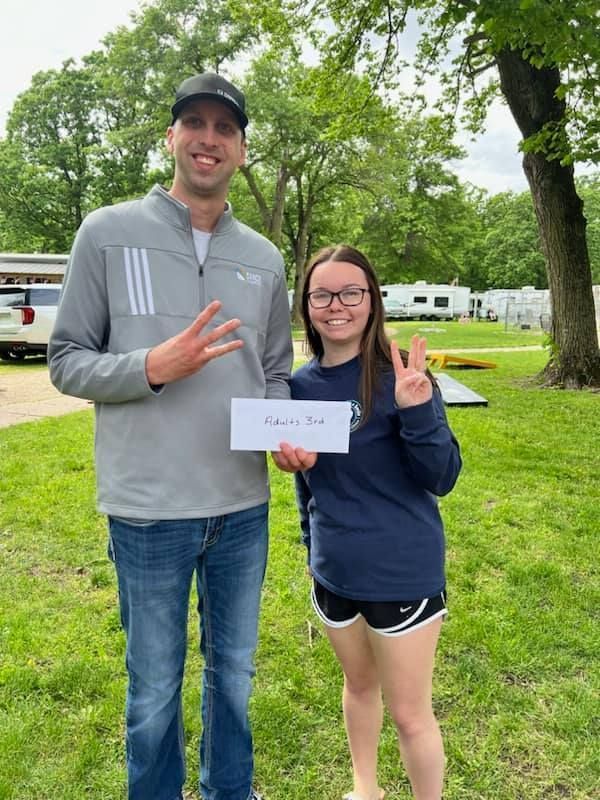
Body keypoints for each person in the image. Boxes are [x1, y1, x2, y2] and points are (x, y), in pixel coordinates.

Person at [49, 72, 312, 800]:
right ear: (171, 137)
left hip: (241, 508)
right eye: (194, 123)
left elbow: (275, 371)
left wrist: (286, 430)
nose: (208, 139)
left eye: (224, 129)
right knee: (154, 687)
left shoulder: (263, 256)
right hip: (147, 510)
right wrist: (151, 366)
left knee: (235, 673)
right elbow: (66, 360)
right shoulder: (105, 233)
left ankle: (231, 790)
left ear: (242, 150)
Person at [281, 245, 462, 800]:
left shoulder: (400, 378)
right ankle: (365, 790)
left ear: (372, 299)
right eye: (322, 294)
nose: (336, 305)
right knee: (359, 688)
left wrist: (417, 410)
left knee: (411, 715)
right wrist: (314, 550)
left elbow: (442, 477)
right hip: (334, 575)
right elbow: (306, 484)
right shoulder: (300, 385)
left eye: (350, 292)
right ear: (307, 305)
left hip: (400, 574)